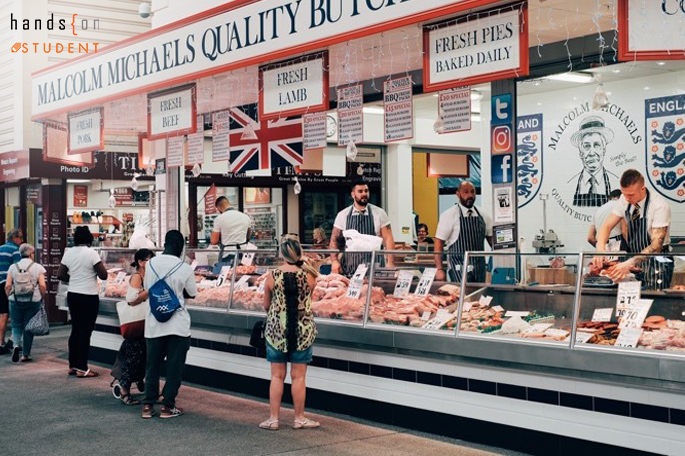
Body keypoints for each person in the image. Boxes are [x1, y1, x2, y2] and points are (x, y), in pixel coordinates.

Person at [260, 234, 320, 430]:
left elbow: (266, 305)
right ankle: (299, 418)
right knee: (299, 377)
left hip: (277, 331)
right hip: (303, 330)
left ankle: (273, 419)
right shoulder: (310, 275)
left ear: (282, 253)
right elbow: (308, 300)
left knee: (277, 376)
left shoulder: (272, 275)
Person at [142, 230, 197, 420]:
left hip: (153, 323)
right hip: (177, 324)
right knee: (174, 368)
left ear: (164, 244)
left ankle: (148, 406)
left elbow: (147, 288)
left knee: (152, 366)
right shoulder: (185, 267)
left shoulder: (149, 264)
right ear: (181, 247)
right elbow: (192, 292)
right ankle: (167, 406)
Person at [593, 169, 672, 288]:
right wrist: (600, 250)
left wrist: (629, 262)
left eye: (630, 195)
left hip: (657, 262)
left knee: (654, 301)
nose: (627, 198)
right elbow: (606, 226)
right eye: (624, 194)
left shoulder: (659, 206)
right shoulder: (624, 199)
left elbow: (656, 245)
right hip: (635, 260)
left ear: (642, 189)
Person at [57, 227, 107, 377]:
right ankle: (82, 368)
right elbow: (103, 275)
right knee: (85, 332)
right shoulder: (91, 253)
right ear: (89, 239)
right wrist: (88, 276)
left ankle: (72, 365)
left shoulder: (69, 252)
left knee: (76, 330)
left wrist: (75, 278)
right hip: (88, 295)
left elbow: (60, 274)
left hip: (73, 295)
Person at [113, 248, 155, 405]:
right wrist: (150, 291)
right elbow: (131, 299)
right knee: (133, 358)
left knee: (143, 357)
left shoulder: (148, 275)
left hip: (147, 324)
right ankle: (124, 390)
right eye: (149, 259)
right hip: (137, 325)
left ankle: (138, 381)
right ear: (140, 262)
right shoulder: (137, 276)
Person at [329, 181, 395, 278]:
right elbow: (334, 240)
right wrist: (334, 261)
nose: (364, 194)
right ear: (353, 194)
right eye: (360, 191)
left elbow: (388, 238)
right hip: (350, 268)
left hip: (375, 267)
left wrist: (390, 262)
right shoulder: (343, 215)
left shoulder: (380, 213)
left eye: (366, 191)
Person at [434, 181, 493, 283]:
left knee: (477, 297)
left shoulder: (483, 215)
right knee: (460, 296)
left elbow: (492, 240)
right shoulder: (449, 215)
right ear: (458, 194)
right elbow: (439, 243)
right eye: (466, 192)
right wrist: (439, 269)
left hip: (479, 267)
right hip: (458, 266)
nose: (470, 195)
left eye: (472, 192)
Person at [5, 244, 46, 363]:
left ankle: (16, 345)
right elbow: (42, 285)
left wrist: (9, 297)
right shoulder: (38, 267)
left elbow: (8, 285)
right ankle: (26, 355)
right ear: (32, 254)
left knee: (16, 325)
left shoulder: (13, 267)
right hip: (33, 300)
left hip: (15, 300)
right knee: (29, 326)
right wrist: (42, 297)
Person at [567, 116, 619, 207]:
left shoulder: (616, 182)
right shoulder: (570, 184)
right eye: (587, 146)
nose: (591, 153)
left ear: (604, 150)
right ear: (580, 152)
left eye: (596, 145)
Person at [210, 196, 251, 266]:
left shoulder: (219, 219)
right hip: (244, 253)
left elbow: (214, 241)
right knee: (242, 273)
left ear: (218, 208)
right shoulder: (245, 217)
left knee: (228, 275)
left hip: (227, 254)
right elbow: (248, 236)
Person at [0, 228, 22, 354]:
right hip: (6, 284)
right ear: (15, 238)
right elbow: (17, 269)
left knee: (2, 314)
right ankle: (2, 342)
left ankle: (6, 341)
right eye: (21, 238)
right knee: (6, 314)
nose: (21, 241)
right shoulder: (15, 250)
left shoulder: (0, 248)